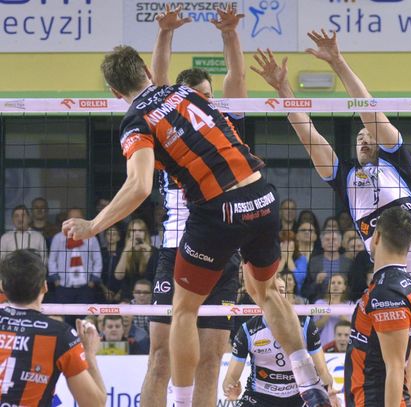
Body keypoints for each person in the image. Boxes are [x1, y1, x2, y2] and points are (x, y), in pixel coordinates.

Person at [63, 9, 331, 407]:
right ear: (145, 73)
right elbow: (166, 78)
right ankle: (310, 384)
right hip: (260, 196)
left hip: (215, 216)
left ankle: (185, 402)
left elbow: (138, 185)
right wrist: (169, 35)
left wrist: (93, 225)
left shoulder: (138, 120)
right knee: (266, 293)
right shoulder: (187, 95)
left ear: (115, 92)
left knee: (185, 314)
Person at [252, 31, 411, 405]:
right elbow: (309, 135)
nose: (364, 139)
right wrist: (284, 88)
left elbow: (368, 108)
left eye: (370, 134)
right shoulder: (345, 179)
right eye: (359, 137)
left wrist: (337, 62)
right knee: (404, 384)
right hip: (394, 288)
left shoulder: (399, 164)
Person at [139, 5, 262, 407]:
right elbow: (158, 83)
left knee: (210, 361)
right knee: (160, 358)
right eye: (197, 97)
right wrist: (164, 34)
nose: (205, 102)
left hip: (222, 250)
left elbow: (237, 79)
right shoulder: (164, 126)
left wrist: (230, 34)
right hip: (176, 249)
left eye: (208, 96)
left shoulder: (225, 125)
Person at [0, 249, 106, 406]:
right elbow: (95, 404)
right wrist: (89, 353)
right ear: (44, 287)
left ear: (3, 286)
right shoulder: (61, 335)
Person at [222, 277, 340, 407]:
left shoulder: (306, 326)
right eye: (273, 291)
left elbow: (322, 371)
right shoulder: (247, 331)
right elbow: (230, 378)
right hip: (260, 396)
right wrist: (230, 388)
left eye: (282, 290)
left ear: (287, 295)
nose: (277, 295)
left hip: (299, 396)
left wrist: (328, 391)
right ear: (263, 296)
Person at [345, 207, 411, 406]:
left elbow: (395, 366)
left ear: (377, 236)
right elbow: (409, 356)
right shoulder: (407, 284)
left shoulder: (387, 292)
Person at [49, 207, 102, 315]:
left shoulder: (91, 238)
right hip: (64, 286)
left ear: (83, 219)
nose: (74, 222)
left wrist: (93, 281)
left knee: (84, 318)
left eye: (77, 218)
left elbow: (97, 260)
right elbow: (52, 260)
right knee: (64, 319)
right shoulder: (58, 238)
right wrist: (56, 280)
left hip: (85, 287)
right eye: (71, 218)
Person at [114, 218, 158, 299]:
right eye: (133, 231)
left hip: (148, 296)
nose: (137, 233)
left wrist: (149, 256)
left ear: (145, 233)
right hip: (127, 297)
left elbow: (154, 276)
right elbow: (118, 276)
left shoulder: (154, 251)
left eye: (140, 230)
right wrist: (125, 252)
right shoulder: (122, 251)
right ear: (129, 234)